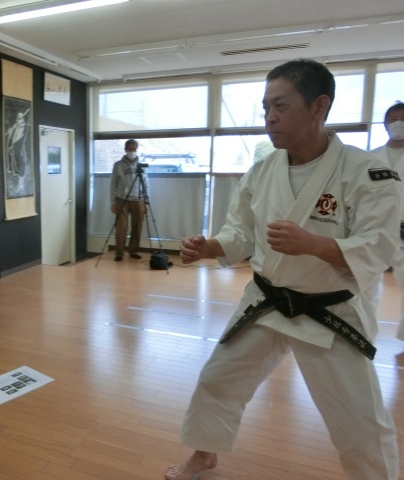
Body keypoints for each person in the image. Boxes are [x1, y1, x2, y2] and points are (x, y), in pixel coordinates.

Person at [166, 59, 400, 480]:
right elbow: (241, 232)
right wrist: (210, 247)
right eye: (266, 108)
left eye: (281, 106)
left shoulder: (366, 172)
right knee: (218, 380)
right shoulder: (262, 170)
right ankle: (204, 454)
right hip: (267, 299)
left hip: (327, 308)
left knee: (359, 420)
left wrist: (315, 244)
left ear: (319, 106)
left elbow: (380, 244)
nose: (270, 117)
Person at [371, 101, 404, 341]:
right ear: (384, 124)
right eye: (393, 119)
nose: (398, 124)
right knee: (365, 284)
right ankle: (362, 331)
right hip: (374, 230)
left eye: (403, 120)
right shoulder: (370, 158)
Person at [110, 139, 149, 261]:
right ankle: (119, 253)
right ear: (125, 149)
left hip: (138, 199)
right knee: (121, 227)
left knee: (137, 226)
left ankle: (133, 251)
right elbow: (113, 183)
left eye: (134, 149)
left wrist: (146, 201)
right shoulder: (118, 165)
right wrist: (113, 202)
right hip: (122, 199)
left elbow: (146, 183)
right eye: (130, 149)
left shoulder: (141, 165)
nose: (132, 152)